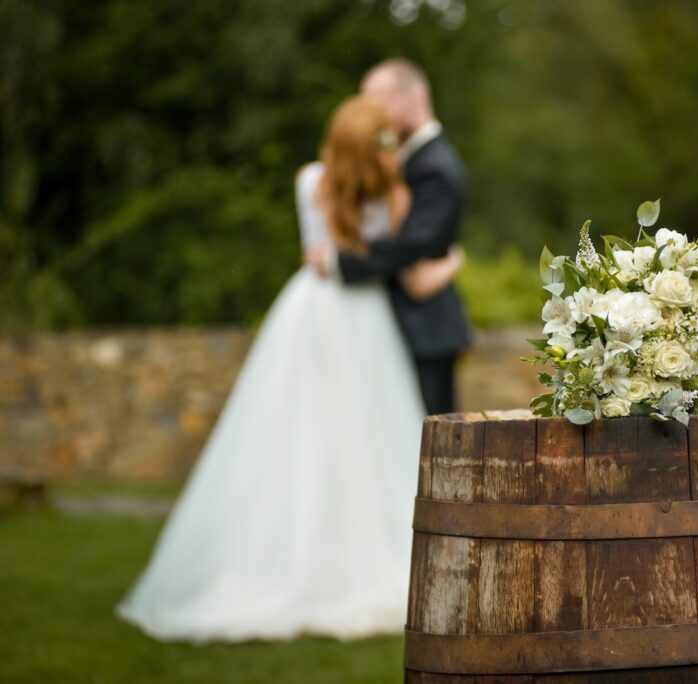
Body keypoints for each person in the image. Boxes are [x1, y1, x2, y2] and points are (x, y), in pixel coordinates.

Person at [116, 96, 461, 642]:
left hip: (311, 310)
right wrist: (449, 263)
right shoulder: (393, 193)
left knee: (294, 428)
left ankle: (288, 557)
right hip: (366, 318)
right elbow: (405, 273)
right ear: (378, 146)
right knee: (361, 435)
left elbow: (315, 255)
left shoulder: (310, 183)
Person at [306, 58, 470, 415]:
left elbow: (411, 244)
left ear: (417, 97)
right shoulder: (397, 160)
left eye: (381, 102)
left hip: (425, 326)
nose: (373, 115)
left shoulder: (436, 166)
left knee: (432, 443)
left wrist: (336, 261)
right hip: (384, 321)